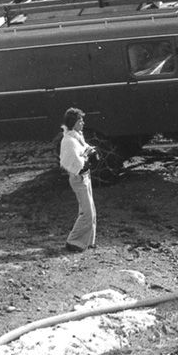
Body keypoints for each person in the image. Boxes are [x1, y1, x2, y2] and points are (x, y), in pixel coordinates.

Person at [58, 107, 97, 252]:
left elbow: (84, 150)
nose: (83, 123)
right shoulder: (68, 141)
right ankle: (73, 241)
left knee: (90, 210)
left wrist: (91, 152)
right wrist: (86, 160)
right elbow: (72, 163)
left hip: (84, 177)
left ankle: (86, 242)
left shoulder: (76, 137)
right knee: (87, 213)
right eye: (80, 120)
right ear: (73, 122)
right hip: (78, 178)